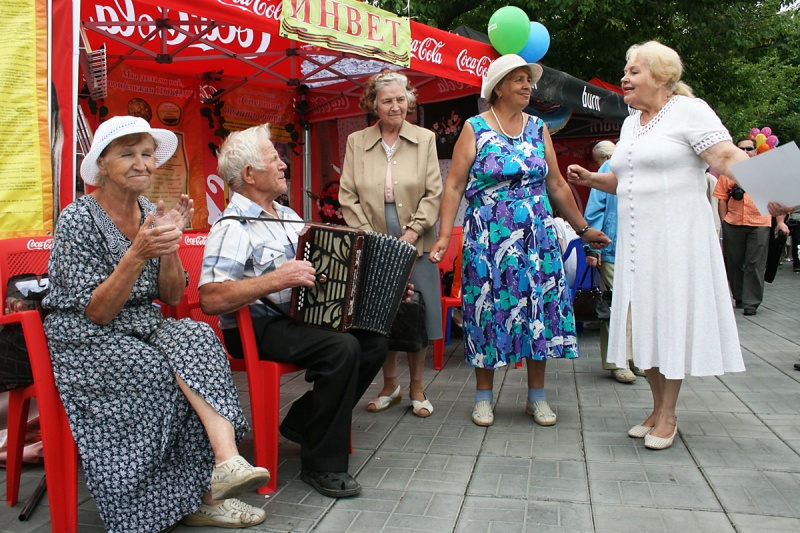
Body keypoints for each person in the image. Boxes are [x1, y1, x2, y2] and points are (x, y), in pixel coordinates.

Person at [42, 116, 269, 531]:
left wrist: (168, 248)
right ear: (103, 164)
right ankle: (153, 506)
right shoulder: (78, 218)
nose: (142, 163)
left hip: (143, 326)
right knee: (154, 370)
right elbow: (97, 312)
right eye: (128, 153)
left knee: (197, 336)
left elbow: (169, 297)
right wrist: (138, 252)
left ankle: (225, 464)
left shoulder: (149, 210)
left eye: (146, 154)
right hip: (87, 337)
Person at [567, 41, 747, 450]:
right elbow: (623, 180)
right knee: (643, 323)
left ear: (661, 77)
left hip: (677, 240)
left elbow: (724, 155)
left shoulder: (690, 111)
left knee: (670, 320)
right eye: (625, 71)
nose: (624, 78)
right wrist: (590, 179)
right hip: (636, 244)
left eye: (633, 71)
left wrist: (774, 184)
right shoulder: (632, 123)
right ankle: (655, 406)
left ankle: (669, 414)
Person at [198, 123, 387, 498]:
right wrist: (275, 280)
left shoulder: (287, 216)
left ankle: (304, 422)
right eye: (274, 158)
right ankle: (322, 465)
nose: (283, 163)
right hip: (256, 328)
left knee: (373, 340)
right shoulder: (232, 226)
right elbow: (211, 298)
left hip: (299, 318)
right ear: (249, 174)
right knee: (341, 349)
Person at [430, 54, 610, 428]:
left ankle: (537, 397)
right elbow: (454, 185)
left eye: (530, 80)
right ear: (499, 87)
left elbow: (557, 184)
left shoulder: (538, 128)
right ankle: (483, 398)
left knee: (538, 311)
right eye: (520, 80)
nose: (529, 86)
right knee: (487, 311)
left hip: (537, 237)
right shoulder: (474, 128)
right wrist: (446, 234)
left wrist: (582, 228)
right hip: (488, 238)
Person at [339, 70, 443, 418]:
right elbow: (348, 196)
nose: (395, 106)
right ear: (374, 104)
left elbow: (433, 193)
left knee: (416, 313)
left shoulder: (426, 139)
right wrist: (371, 237)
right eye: (387, 101)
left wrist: (412, 233)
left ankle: (416, 387)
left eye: (401, 99)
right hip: (371, 236)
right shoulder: (357, 141)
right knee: (380, 314)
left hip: (417, 236)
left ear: (409, 101)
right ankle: (390, 385)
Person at [584, 140, 640, 383]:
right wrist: (592, 247)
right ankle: (618, 360)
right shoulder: (609, 168)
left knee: (637, 306)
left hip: (639, 247)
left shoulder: (638, 163)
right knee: (616, 305)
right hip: (612, 246)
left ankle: (636, 357)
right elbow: (595, 209)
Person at [712, 137, 771, 316]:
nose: (746, 152)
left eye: (749, 148)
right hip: (734, 222)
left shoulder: (766, 173)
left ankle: (751, 302)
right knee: (734, 262)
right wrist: (724, 223)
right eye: (741, 149)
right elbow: (721, 200)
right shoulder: (727, 172)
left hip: (760, 222)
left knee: (755, 263)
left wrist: (781, 222)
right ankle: (739, 296)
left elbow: (776, 197)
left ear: (755, 150)